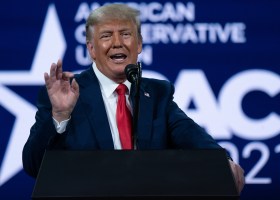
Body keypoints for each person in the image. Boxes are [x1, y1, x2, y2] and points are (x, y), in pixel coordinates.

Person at [22, 3, 245, 193]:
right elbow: (34, 166)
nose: (117, 43)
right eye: (106, 35)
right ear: (91, 49)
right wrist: (60, 115)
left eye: (126, 34)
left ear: (138, 44)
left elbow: (193, 136)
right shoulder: (67, 93)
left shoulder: (157, 94)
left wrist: (222, 162)